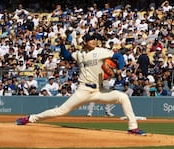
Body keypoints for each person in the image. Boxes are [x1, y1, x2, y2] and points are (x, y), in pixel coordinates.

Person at [17, 31, 145, 135]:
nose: (94, 41)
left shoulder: (100, 51)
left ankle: (132, 127)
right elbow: (66, 56)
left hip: (98, 91)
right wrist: (62, 44)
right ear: (85, 42)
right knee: (61, 111)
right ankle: (30, 118)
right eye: (91, 39)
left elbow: (118, 57)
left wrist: (121, 68)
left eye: (95, 39)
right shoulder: (79, 54)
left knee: (123, 97)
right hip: (83, 90)